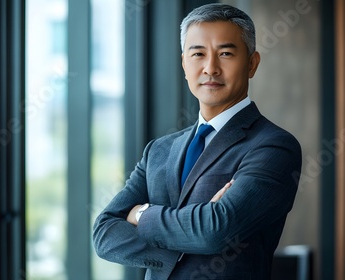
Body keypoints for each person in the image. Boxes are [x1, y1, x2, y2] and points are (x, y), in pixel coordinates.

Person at [93, 3, 302, 279]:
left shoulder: (273, 147)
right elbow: (105, 233)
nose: (211, 68)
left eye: (225, 53)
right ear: (183, 64)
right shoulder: (159, 151)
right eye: (198, 54)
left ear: (252, 64)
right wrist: (190, 235)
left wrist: (142, 214)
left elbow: (214, 230)